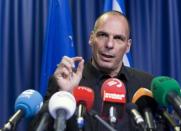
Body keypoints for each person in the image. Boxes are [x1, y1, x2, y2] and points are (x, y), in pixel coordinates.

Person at [29, 11, 168, 131]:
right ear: (91, 38)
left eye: (118, 38)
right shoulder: (67, 80)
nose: (109, 44)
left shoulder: (146, 84)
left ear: (128, 46)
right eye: (102, 35)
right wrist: (64, 94)